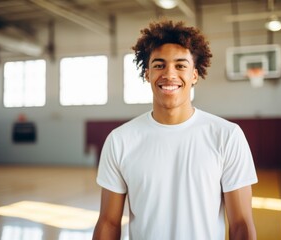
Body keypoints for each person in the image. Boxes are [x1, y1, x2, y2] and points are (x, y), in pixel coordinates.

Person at [93, 20, 258, 240]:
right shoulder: (120, 140)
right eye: (159, 65)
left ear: (195, 75)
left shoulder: (227, 136)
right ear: (147, 74)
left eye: (180, 65)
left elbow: (241, 224)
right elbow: (108, 222)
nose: (169, 74)